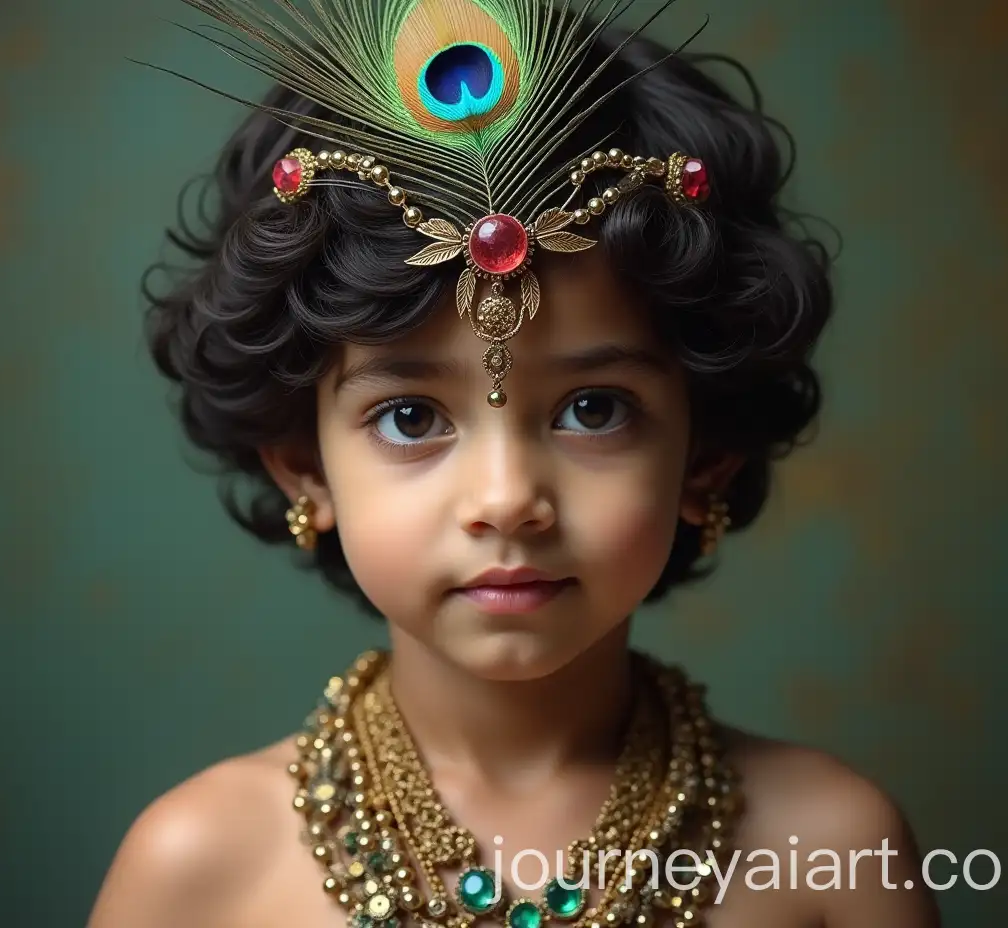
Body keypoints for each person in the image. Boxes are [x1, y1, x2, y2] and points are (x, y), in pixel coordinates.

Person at [89, 1, 940, 925]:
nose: (507, 501)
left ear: (707, 455)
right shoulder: (201, 870)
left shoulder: (832, 852)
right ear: (303, 464)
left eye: (593, 410)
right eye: (411, 417)